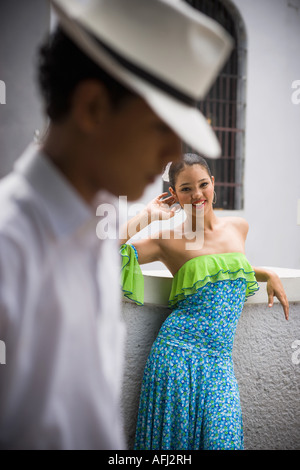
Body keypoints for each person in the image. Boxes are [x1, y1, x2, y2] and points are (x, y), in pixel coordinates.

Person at [0, 0, 234, 450]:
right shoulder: (11, 249)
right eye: (160, 127)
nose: (172, 156)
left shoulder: (100, 236)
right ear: (93, 108)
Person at [120, 153, 289, 450]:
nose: (197, 195)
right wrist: (146, 217)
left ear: (213, 183)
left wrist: (266, 273)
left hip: (219, 363)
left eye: (202, 185)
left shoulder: (239, 227)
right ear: (173, 195)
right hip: (175, 358)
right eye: (186, 189)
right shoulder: (167, 239)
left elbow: (226, 268)